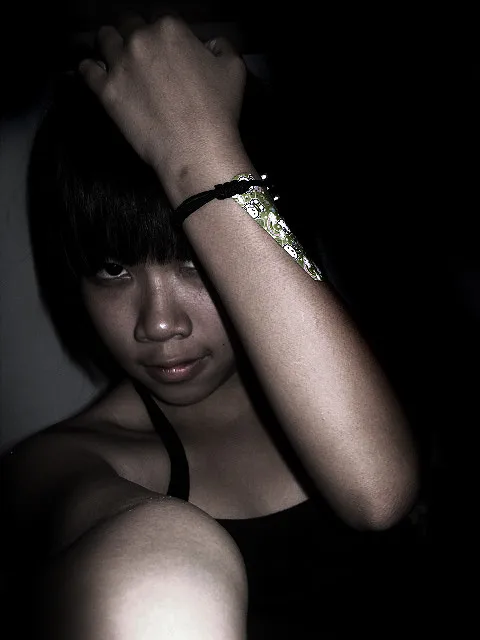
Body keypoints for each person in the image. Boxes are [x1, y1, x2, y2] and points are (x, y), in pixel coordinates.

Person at [0, 12, 422, 639]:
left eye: (195, 261)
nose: (158, 323)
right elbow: (151, 583)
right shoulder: (58, 465)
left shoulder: (391, 367)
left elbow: (377, 489)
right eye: (113, 269)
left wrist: (197, 151)